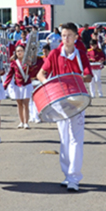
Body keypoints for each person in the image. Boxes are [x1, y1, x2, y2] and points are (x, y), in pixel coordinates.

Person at [37, 23, 92, 191]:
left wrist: (83, 78)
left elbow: (89, 76)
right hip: (60, 101)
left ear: (76, 37)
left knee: (76, 139)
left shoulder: (81, 55)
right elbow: (40, 74)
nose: (65, 38)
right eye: (63, 35)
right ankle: (67, 174)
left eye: (68, 35)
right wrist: (48, 85)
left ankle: (74, 178)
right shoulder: (54, 54)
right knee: (64, 139)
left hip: (77, 100)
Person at [5, 42, 38, 129]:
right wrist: (4, 86)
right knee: (19, 104)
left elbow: (33, 73)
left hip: (26, 84)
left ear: (25, 51)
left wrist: (30, 66)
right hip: (17, 85)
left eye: (21, 50)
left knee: (26, 104)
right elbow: (10, 75)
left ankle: (26, 122)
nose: (19, 52)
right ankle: (21, 121)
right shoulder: (14, 63)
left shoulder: (28, 62)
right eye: (17, 51)